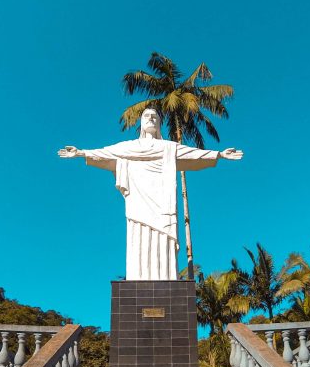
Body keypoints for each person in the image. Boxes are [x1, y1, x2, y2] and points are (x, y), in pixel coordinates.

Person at [58, 108, 243, 280]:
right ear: (141, 122)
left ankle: (166, 277)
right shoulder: (128, 147)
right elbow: (106, 153)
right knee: (138, 238)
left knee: (163, 240)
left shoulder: (169, 147)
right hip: (137, 201)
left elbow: (193, 154)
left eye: (155, 116)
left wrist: (219, 155)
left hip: (163, 202)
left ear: (159, 123)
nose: (151, 119)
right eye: (147, 116)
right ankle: (138, 277)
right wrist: (81, 153)